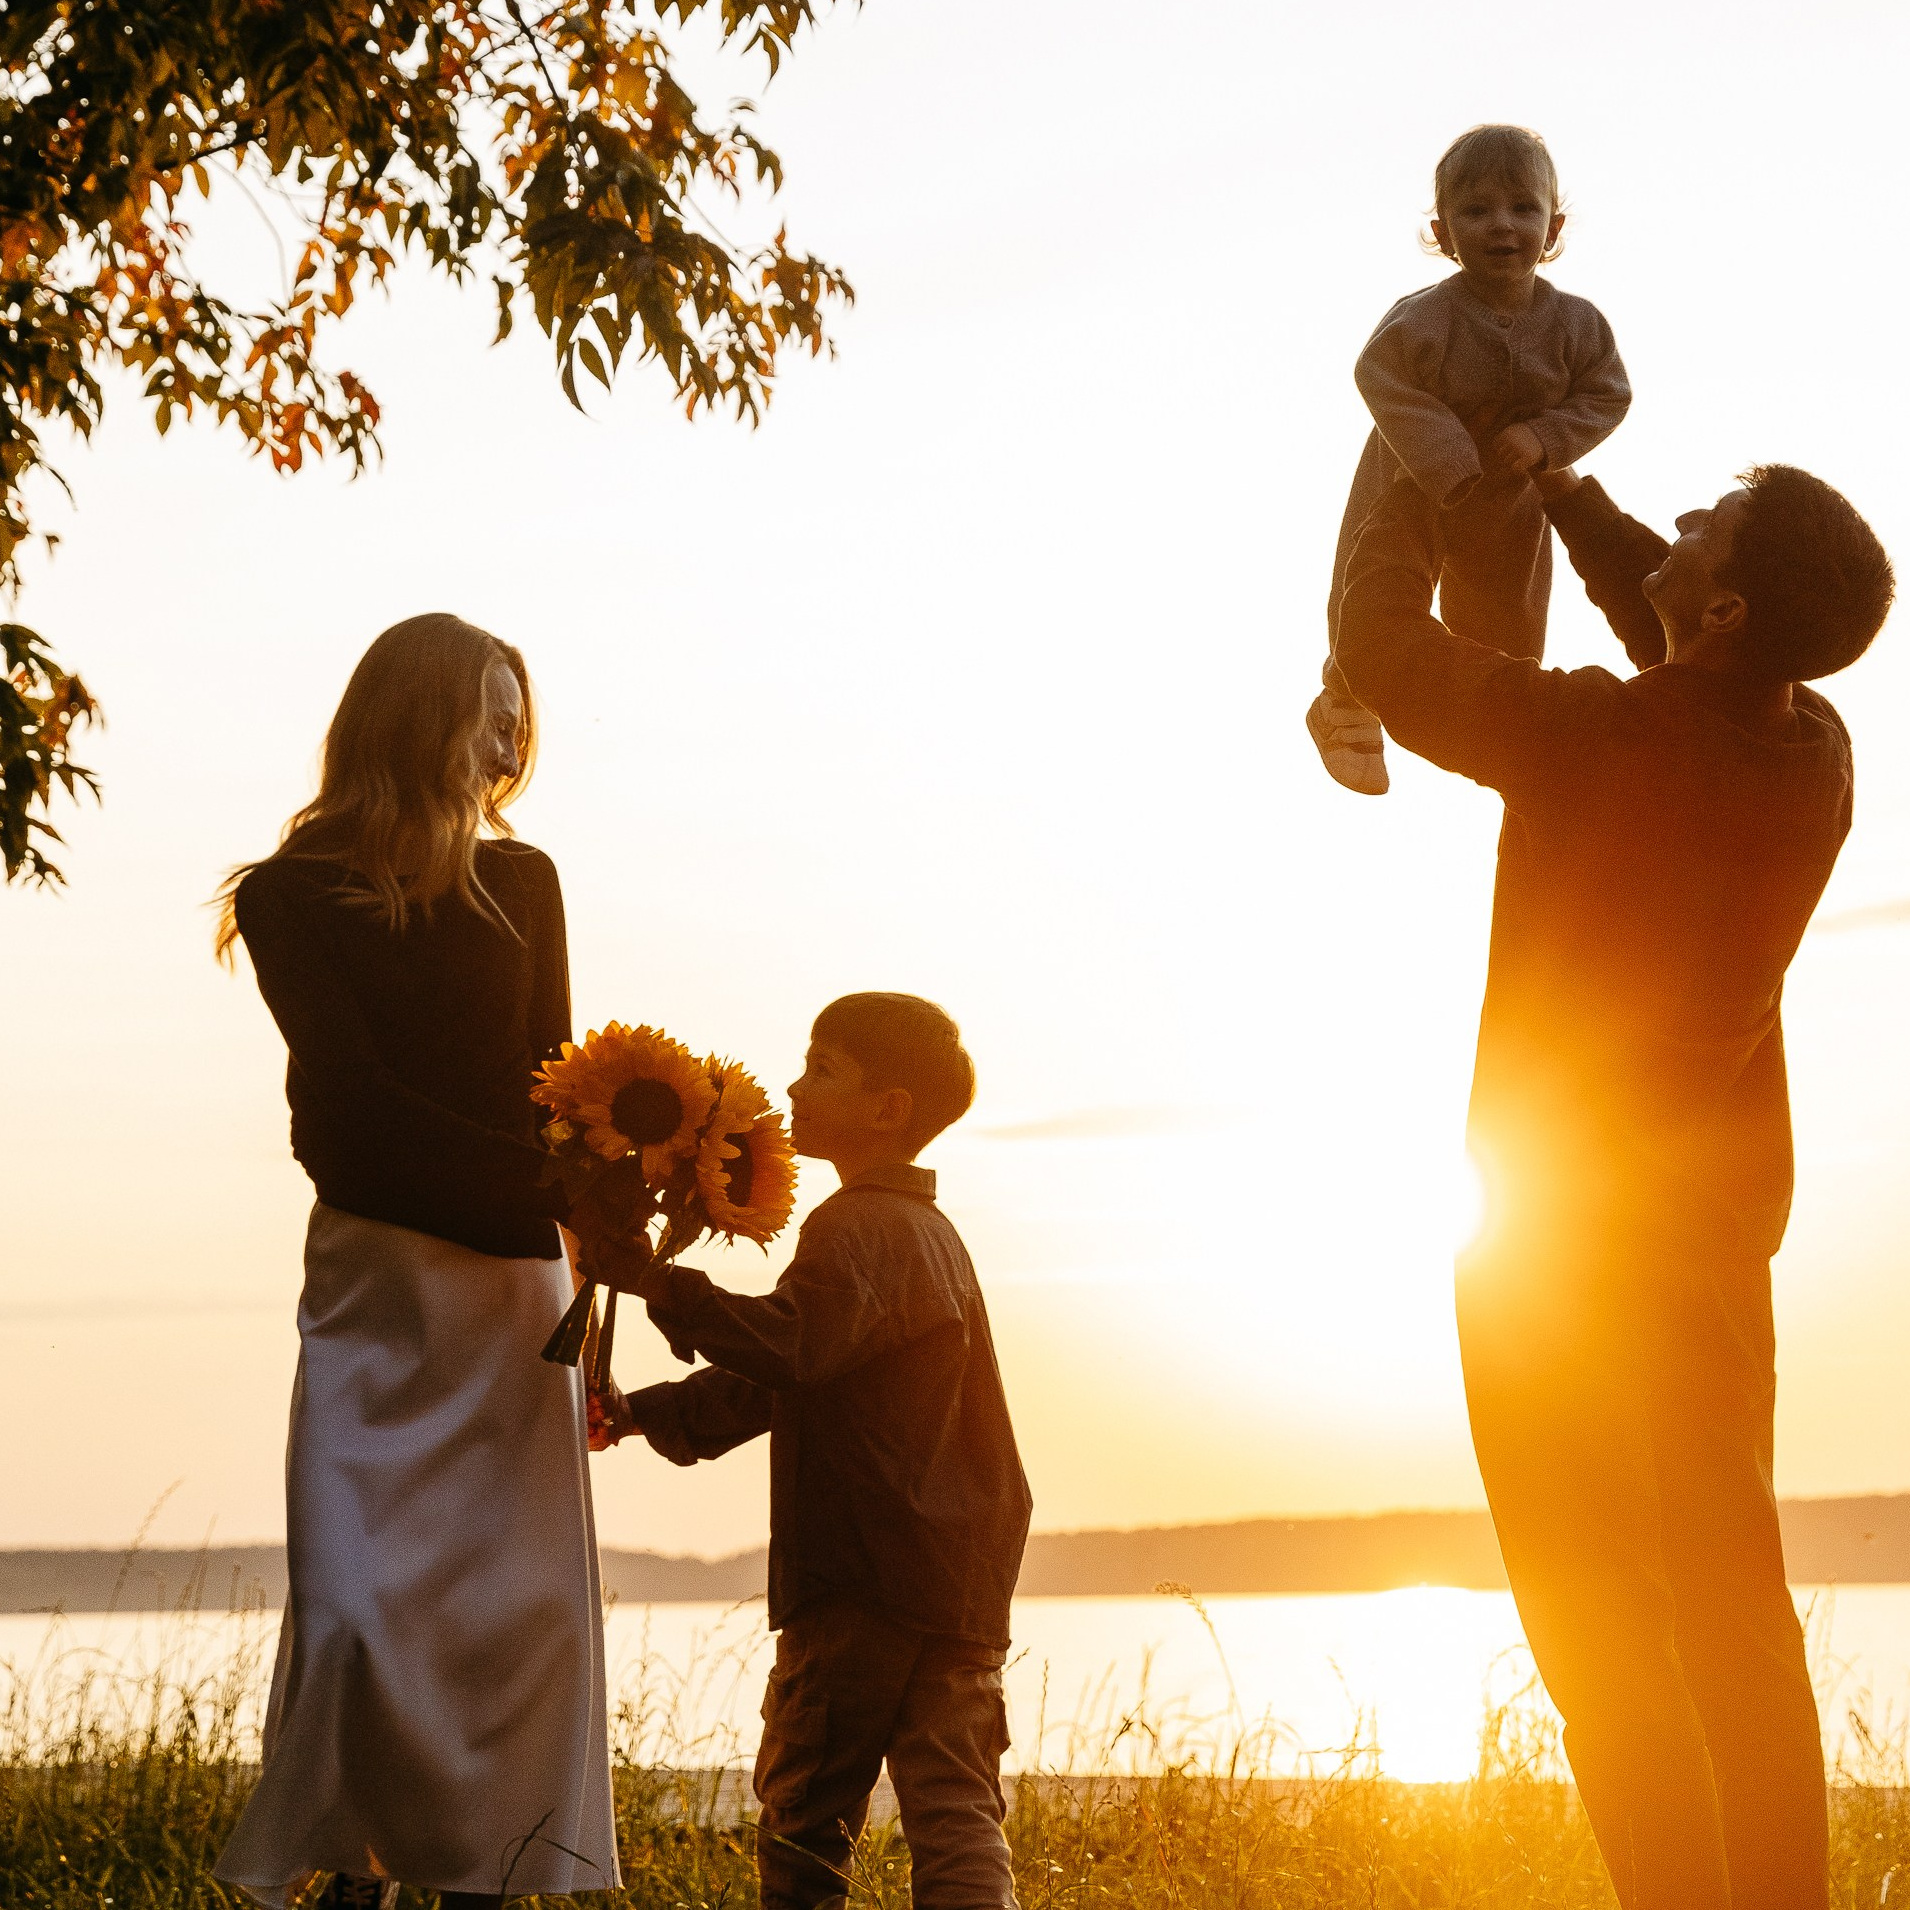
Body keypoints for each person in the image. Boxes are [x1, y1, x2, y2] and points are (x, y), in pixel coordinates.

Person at [1334, 457, 1893, 1908]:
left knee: (1599, 1631)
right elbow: (1690, 646)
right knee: (1729, 1613)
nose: (1683, 514)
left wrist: (1403, 468)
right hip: (1707, 1256)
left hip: (1551, 1264)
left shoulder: (1587, 734)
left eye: (1703, 517)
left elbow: (1393, 654)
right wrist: (1568, 502)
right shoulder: (1814, 752)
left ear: (1719, 604)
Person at [210, 615, 618, 1910]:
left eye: (520, 715)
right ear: (413, 716)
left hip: (514, 1291)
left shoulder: (531, 881)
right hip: (378, 1284)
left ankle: (485, 1878)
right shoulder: (286, 895)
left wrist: (593, 1260)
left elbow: (559, 1090)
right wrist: (531, 1178)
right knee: (356, 1612)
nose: (508, 741)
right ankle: (354, 1862)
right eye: (488, 710)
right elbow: (342, 1109)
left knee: (517, 1612)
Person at [593, 992, 1032, 1910]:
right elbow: (800, 1370)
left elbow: (789, 1348)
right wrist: (638, 1412)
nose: (793, 1085)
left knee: (806, 1818)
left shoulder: (857, 1226)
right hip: (956, 1578)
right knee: (956, 1807)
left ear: (890, 1109)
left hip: (860, 1577)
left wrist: (649, 1278)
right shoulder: (931, 1236)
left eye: (822, 1067)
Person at [1308, 123, 1631, 795]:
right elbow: (1380, 377)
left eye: (1522, 208)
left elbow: (1607, 392)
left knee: (1506, 624)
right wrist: (1447, 458)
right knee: (1373, 587)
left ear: (1553, 226)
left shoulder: (1576, 324)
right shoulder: (1426, 319)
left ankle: (1496, 726)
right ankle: (1346, 701)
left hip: (1512, 493)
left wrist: (1548, 436)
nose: (1501, 225)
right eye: (1475, 211)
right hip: (1412, 482)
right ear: (1443, 232)